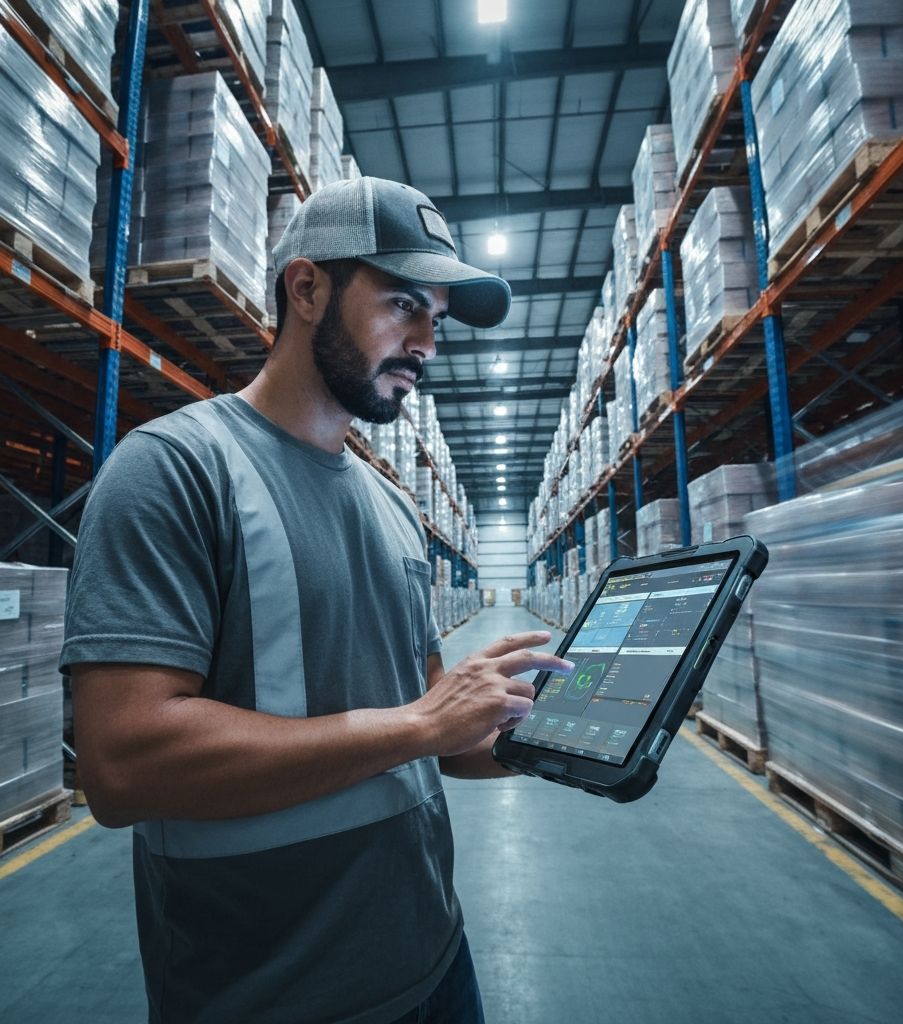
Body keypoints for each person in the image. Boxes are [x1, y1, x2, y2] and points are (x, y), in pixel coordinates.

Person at [61, 176, 573, 1024]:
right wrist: (420, 723)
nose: (425, 344)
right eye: (403, 304)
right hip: (267, 993)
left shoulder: (395, 509)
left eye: (435, 319)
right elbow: (121, 765)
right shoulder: (175, 469)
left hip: (435, 960)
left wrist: (560, 735)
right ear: (306, 288)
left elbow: (437, 740)